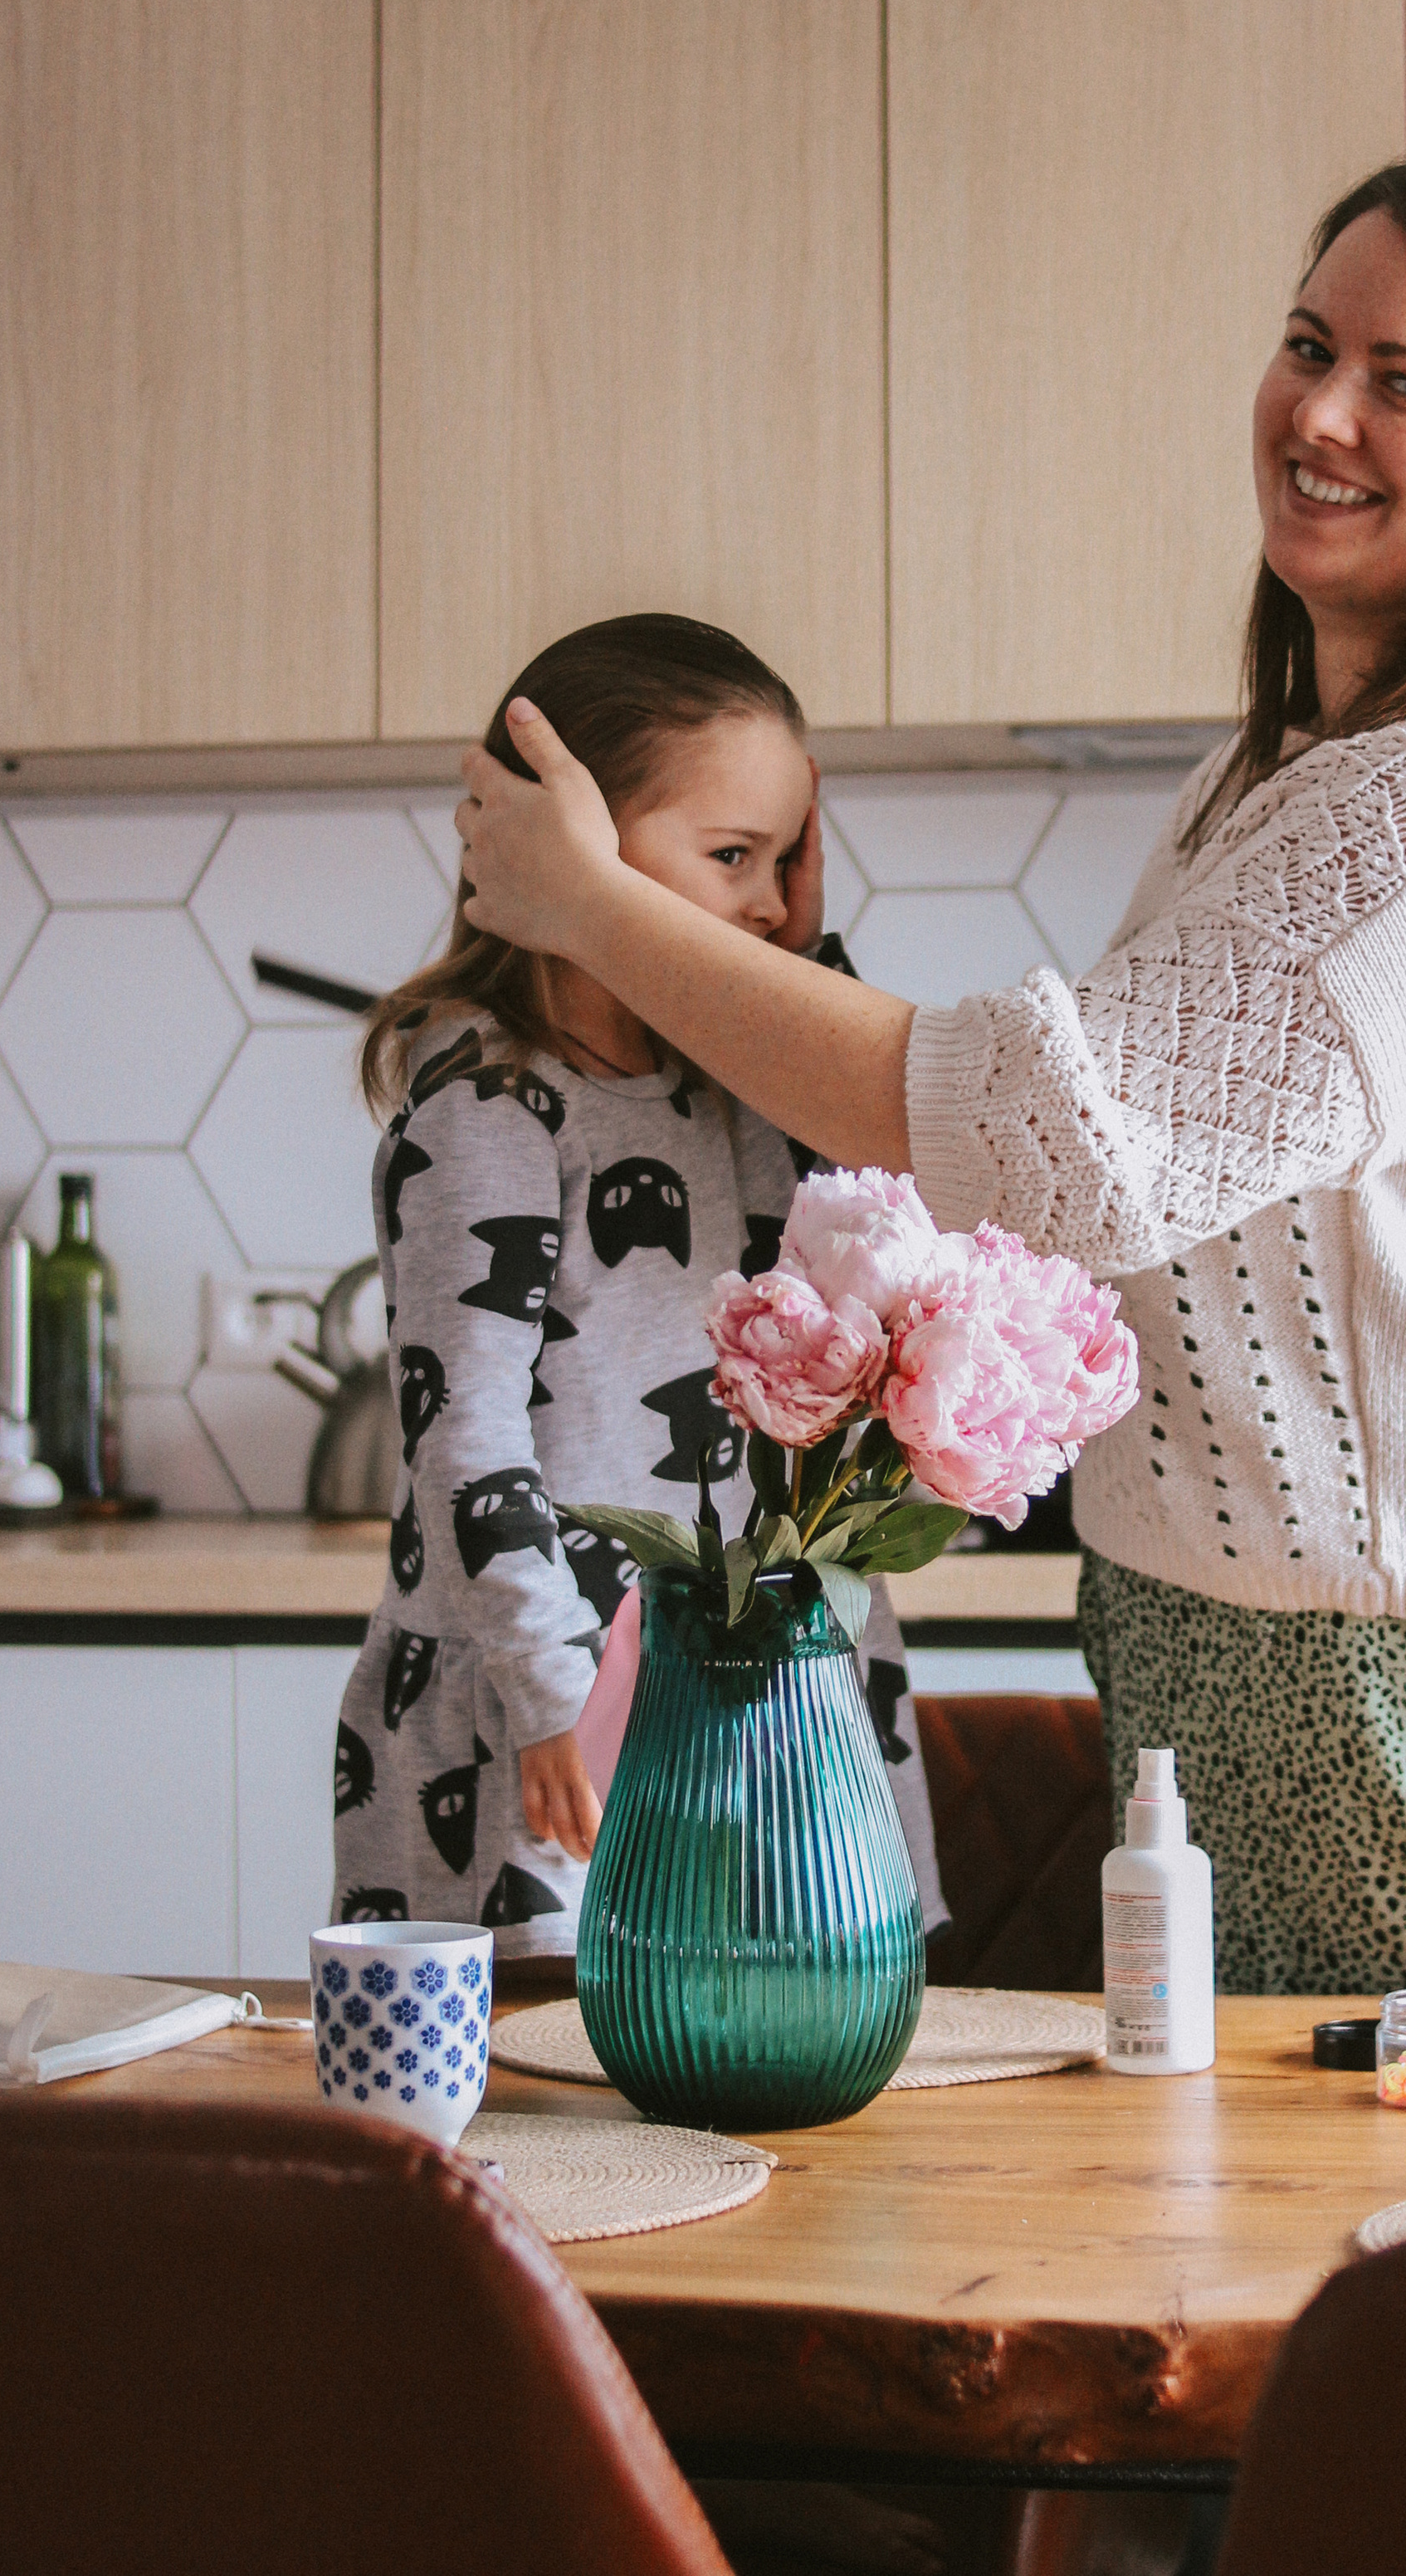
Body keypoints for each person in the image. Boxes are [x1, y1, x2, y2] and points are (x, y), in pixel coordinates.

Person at [450, 158, 1406, 2002]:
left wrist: (596, 908)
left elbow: (1053, 1148)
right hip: (1261, 1668)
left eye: (1405, 380)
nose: (1317, 412)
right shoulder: (1294, 777)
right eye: (1307, 346)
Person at [332, 613, 944, 1958]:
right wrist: (549, 1695)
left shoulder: (726, 1086)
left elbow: (865, 1209)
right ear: (568, 850)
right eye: (733, 856)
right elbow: (465, 1430)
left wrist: (806, 957)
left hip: (745, 1681)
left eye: (788, 860)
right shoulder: (489, 1104)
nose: (772, 901)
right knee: (561, 2120)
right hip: (550, 1696)